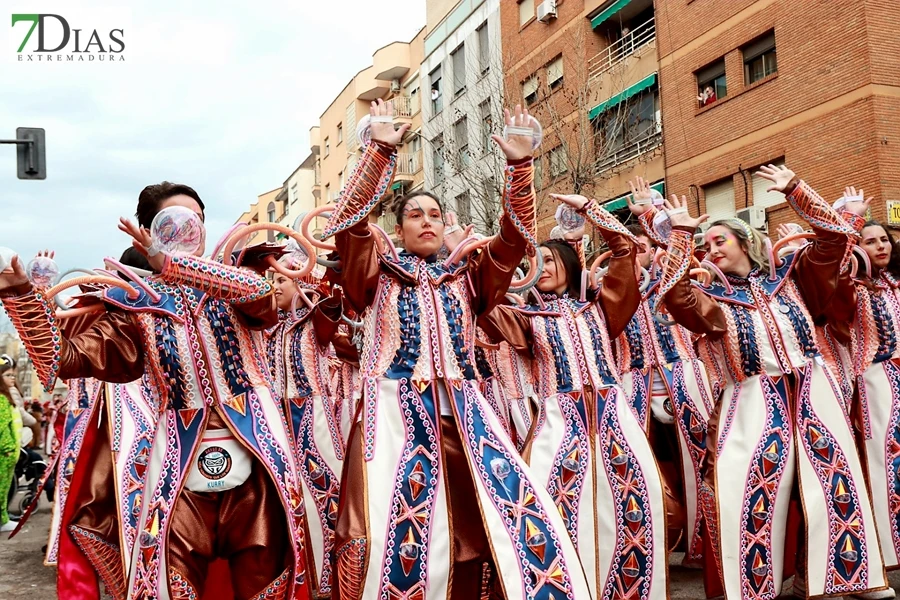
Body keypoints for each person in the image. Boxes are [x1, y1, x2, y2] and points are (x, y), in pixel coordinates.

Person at [329, 100, 591, 600]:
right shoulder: (374, 275)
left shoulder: (467, 276)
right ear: (399, 227)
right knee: (389, 531)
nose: (426, 222)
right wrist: (381, 152)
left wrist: (519, 168)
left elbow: (513, 243)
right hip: (393, 416)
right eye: (414, 215)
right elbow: (351, 226)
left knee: (486, 525)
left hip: (466, 416)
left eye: (434, 214)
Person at [0, 182, 312, 599]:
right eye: (172, 222)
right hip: (178, 457)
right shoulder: (135, 305)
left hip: (259, 455)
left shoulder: (239, 282)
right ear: (145, 232)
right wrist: (20, 294)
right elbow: (59, 361)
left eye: (196, 220)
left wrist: (173, 266)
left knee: (267, 581)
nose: (187, 231)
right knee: (169, 580)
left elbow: (261, 299)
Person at [658, 165, 892, 600]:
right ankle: (752, 587)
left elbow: (835, 242)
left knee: (833, 481)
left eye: (719, 240)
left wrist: (797, 191)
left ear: (746, 241)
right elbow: (671, 294)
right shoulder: (711, 300)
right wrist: (679, 234)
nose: (711, 250)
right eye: (704, 245)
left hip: (812, 388)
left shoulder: (791, 278)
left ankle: (850, 575)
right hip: (750, 399)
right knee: (750, 495)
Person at [481, 194, 669, 599]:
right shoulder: (525, 318)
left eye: (548, 260)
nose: (539, 268)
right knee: (557, 512)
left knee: (630, 509)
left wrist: (590, 208)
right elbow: (484, 302)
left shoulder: (602, 308)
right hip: (558, 424)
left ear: (567, 264)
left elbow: (625, 249)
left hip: (614, 418)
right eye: (534, 262)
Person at [615, 176, 716, 569]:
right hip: (633, 382)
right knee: (637, 463)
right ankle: (645, 547)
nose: (639, 251)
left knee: (700, 460)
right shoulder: (611, 288)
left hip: (684, 376)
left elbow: (679, 254)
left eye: (643, 246)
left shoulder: (669, 277)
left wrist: (653, 214)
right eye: (632, 247)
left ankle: (703, 546)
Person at [263, 264, 343, 599]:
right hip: (278, 420)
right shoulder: (267, 326)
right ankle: (298, 575)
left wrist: (313, 295)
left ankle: (335, 577)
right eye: (273, 280)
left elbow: (332, 309)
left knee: (328, 496)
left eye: (282, 280)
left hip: (314, 416)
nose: (275, 286)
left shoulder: (314, 320)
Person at [829, 197, 900, 573]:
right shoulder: (851, 287)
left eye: (884, 239)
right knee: (884, 462)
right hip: (875, 381)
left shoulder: (895, 282)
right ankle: (888, 554)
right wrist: (849, 221)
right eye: (871, 241)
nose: (882, 246)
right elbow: (833, 266)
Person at [0, 359, 20, 533]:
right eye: (7, 375)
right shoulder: (1, 398)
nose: (12, 378)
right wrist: (8, 448)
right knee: (2, 488)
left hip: (6, 451)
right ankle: (2, 520)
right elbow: (2, 426)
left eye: (13, 375)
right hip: (4, 453)